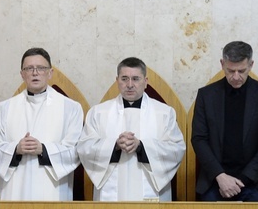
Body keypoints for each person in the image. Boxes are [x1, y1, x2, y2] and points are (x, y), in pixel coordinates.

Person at [77, 57, 185, 201]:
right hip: (110, 194)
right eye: (124, 79)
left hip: (152, 192)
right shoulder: (98, 112)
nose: (129, 85)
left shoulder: (164, 113)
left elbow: (176, 150)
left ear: (145, 82)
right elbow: (84, 147)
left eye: (135, 79)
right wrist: (114, 146)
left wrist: (141, 146)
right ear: (117, 81)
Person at [0, 47, 83, 200]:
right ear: (22, 74)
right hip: (14, 189)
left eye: (41, 68)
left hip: (52, 190)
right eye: (29, 68)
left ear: (50, 73)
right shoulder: (3, 109)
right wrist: (16, 149)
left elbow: (76, 151)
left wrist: (43, 149)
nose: (35, 73)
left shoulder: (70, 108)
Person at [191, 41, 258, 202]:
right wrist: (220, 176)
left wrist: (243, 179)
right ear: (222, 64)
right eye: (230, 70)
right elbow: (199, 139)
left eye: (242, 70)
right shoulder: (207, 95)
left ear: (251, 65)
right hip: (215, 181)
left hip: (255, 182)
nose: (236, 77)